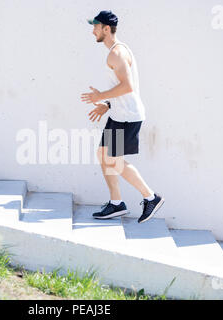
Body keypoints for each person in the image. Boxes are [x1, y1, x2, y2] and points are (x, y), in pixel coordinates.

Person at [80, 10, 165, 223]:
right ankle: (116, 204)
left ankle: (151, 197)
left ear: (106, 29)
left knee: (113, 160)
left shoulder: (116, 54)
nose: (93, 31)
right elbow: (125, 87)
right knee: (103, 155)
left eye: (96, 27)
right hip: (120, 113)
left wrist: (100, 96)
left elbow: (127, 87)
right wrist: (107, 104)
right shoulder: (118, 51)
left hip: (128, 116)